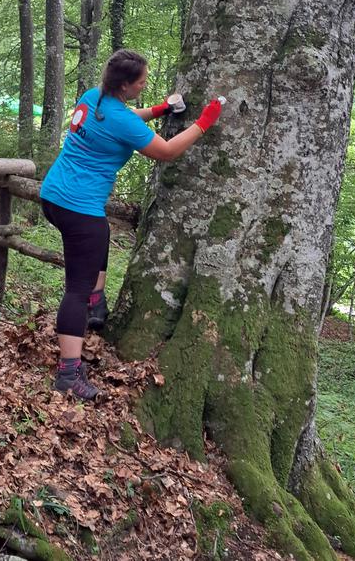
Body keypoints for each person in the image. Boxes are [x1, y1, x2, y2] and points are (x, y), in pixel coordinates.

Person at [40, 48, 222, 399]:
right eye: (141, 82)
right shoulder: (120, 119)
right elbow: (166, 151)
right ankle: (68, 374)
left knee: (101, 235)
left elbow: (124, 116)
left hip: (54, 196)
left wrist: (160, 109)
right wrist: (203, 123)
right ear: (125, 84)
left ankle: (96, 302)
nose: (145, 85)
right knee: (75, 289)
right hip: (79, 207)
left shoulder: (94, 98)